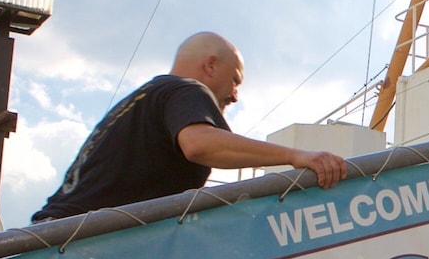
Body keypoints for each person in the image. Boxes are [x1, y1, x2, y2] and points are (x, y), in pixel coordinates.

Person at [32, 32, 346, 223]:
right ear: (210, 65)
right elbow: (199, 144)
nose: (235, 95)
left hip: (53, 236)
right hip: (78, 244)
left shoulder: (142, 100)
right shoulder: (187, 90)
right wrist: (294, 156)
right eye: (235, 80)